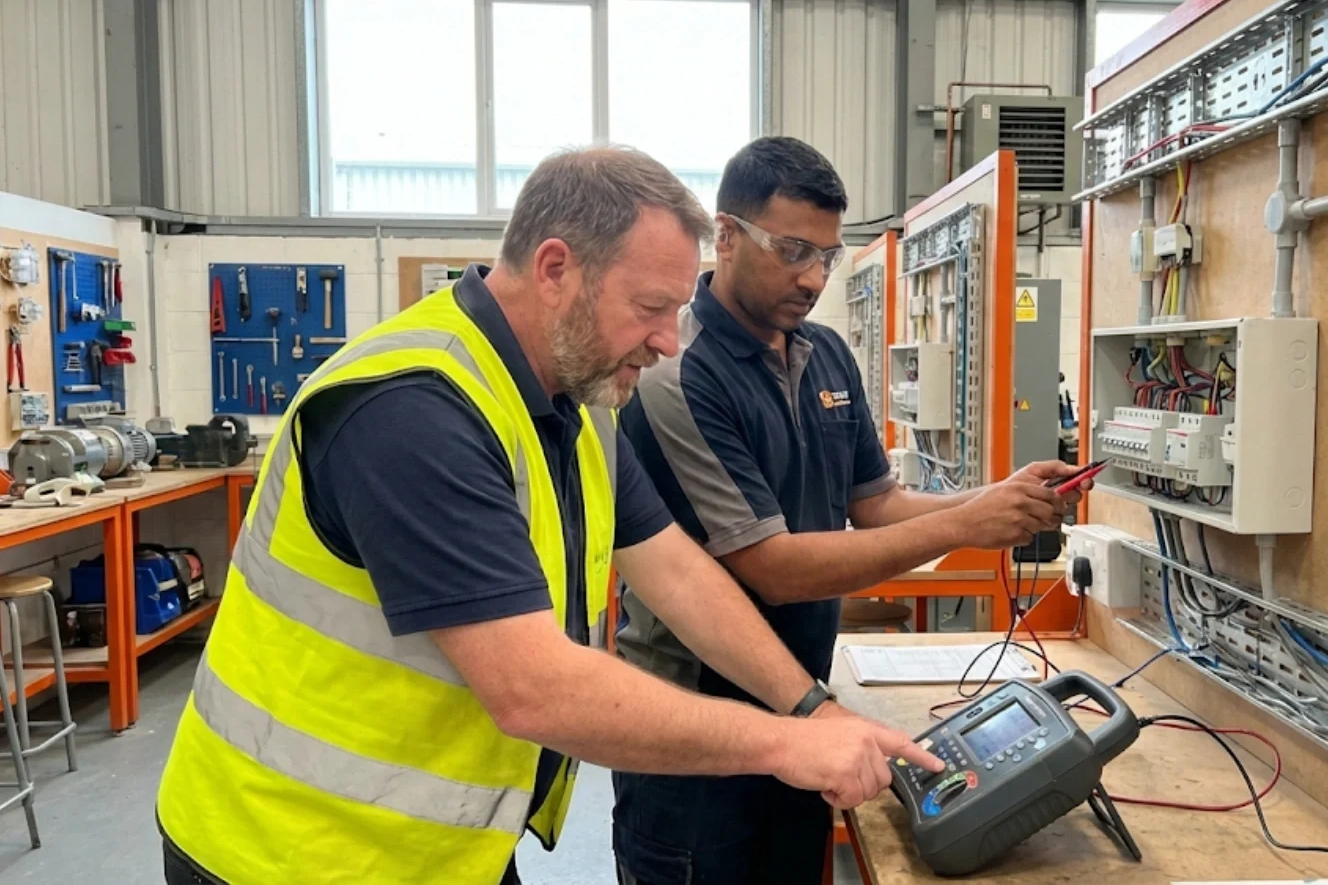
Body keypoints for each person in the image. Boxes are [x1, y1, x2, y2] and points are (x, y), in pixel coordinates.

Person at [154, 146, 941, 885]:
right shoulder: (412, 412)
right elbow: (535, 689)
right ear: (557, 268)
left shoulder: (578, 399)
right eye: (650, 308)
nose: (670, 342)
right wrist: (789, 744)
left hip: (440, 841)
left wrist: (812, 706)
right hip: (286, 846)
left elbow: (676, 572)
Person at [615, 136, 1089, 885]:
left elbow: (876, 504)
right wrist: (966, 527)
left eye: (828, 256)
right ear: (728, 235)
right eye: (794, 250)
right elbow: (770, 569)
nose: (813, 277)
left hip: (805, 708)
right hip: (697, 730)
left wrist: (998, 497)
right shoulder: (680, 376)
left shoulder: (825, 353)